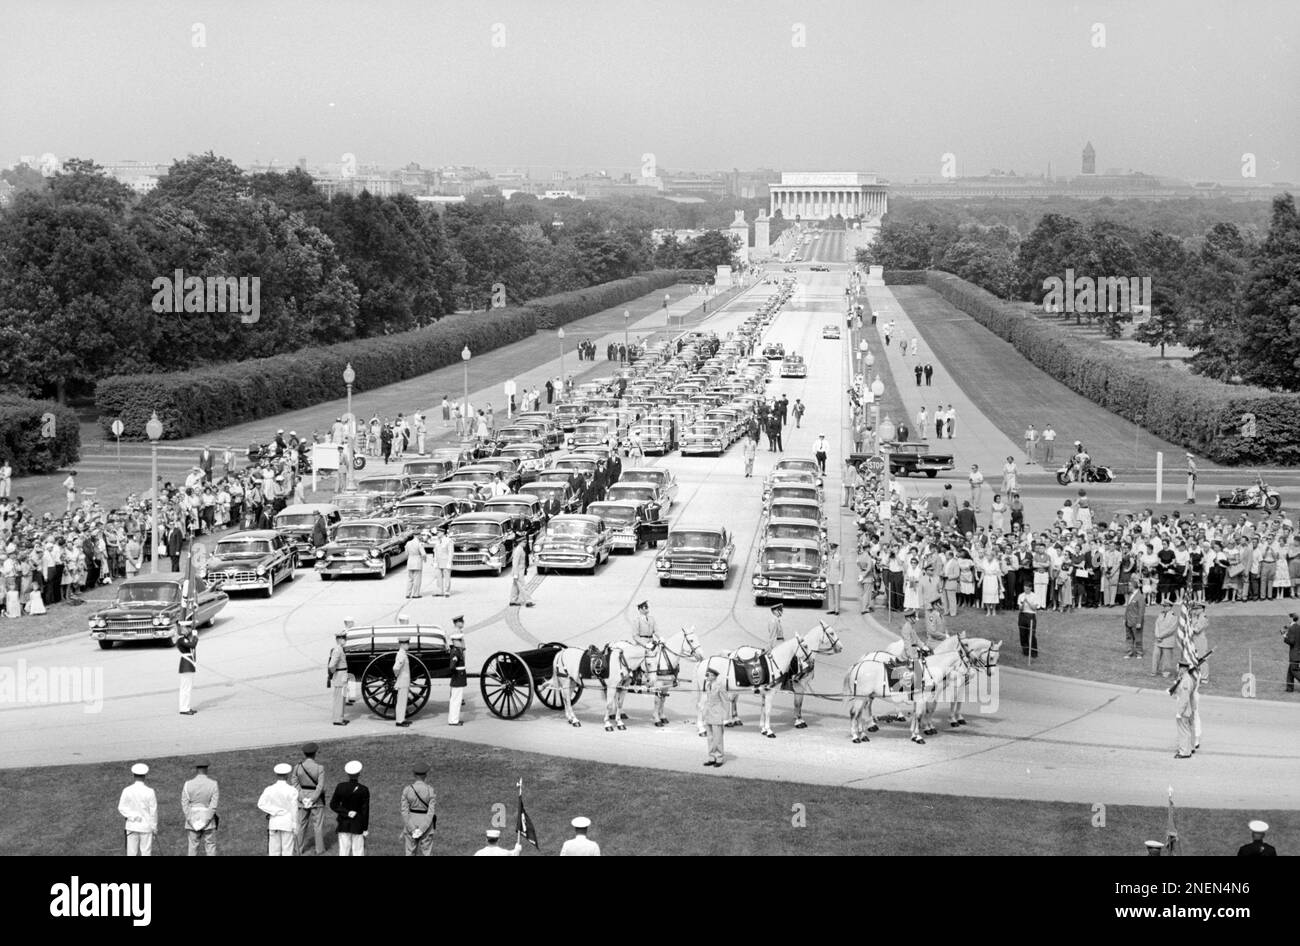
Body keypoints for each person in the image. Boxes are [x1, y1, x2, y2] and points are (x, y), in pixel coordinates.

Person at [292, 743, 326, 855]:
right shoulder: (319, 768)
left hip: (302, 800)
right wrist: (312, 799)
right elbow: (320, 786)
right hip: (317, 800)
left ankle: (298, 849)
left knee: (301, 825)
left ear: (304, 754)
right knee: (318, 825)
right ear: (315, 753)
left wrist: (302, 798)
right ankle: (319, 849)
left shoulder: (297, 767)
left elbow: (295, 783)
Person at [258, 763, 299, 856]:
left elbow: (261, 804)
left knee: (274, 852)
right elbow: (294, 809)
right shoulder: (292, 790)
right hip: (287, 822)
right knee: (287, 851)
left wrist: (274, 811)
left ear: (276, 775)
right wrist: (295, 824)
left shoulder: (269, 789)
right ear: (287, 775)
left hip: (274, 822)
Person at [330, 760, 370, 856]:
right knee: (358, 851)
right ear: (359, 773)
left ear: (347, 774)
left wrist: (345, 812)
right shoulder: (364, 790)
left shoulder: (340, 787)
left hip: (343, 822)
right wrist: (365, 828)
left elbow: (333, 805)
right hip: (358, 823)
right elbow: (365, 810)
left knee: (343, 850)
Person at [118, 763, 157, 856]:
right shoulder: (150, 791)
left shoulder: (127, 790)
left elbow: (121, 807)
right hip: (146, 826)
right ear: (144, 776)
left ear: (133, 776)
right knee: (146, 852)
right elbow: (153, 812)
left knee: (131, 852)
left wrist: (131, 816)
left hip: (132, 826)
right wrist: (154, 827)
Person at [181, 760, 219, 856]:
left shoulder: (187, 784)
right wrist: (206, 819)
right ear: (206, 769)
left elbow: (184, 804)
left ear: (196, 769)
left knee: (193, 847)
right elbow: (213, 805)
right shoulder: (213, 784)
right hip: (209, 821)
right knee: (210, 846)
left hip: (192, 820)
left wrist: (190, 818)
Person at [401, 763, 437, 856]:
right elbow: (431, 812)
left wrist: (412, 829)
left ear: (414, 775)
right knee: (427, 853)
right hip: (426, 824)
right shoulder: (430, 790)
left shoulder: (407, 790)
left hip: (411, 822)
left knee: (410, 853)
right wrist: (422, 829)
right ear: (425, 775)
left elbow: (404, 811)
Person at [700, 667, 726, 767]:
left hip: (717, 713)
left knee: (718, 737)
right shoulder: (708, 685)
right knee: (710, 737)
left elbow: (726, 700)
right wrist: (704, 712)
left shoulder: (719, 686)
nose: (707, 676)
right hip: (709, 713)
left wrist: (726, 715)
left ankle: (719, 758)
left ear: (714, 676)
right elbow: (708, 700)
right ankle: (712, 757)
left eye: (709, 675)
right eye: (707, 675)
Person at [1172, 661, 1196, 759]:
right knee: (1187, 730)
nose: (1177, 669)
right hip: (1187, 709)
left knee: (1183, 731)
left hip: (1185, 710)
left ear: (1184, 668)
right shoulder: (1184, 678)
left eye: (1179, 667)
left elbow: (1185, 698)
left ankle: (1184, 752)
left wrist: (1179, 712)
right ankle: (1188, 748)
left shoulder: (1186, 680)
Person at [329, 627, 350, 725]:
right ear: (338, 639)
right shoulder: (337, 650)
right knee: (339, 699)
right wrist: (334, 673)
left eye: (345, 639)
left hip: (342, 675)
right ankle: (337, 720)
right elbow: (331, 665)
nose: (344, 640)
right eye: (343, 639)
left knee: (342, 699)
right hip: (339, 676)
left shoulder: (340, 649)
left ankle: (340, 718)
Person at [176, 625, 199, 715]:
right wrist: (195, 637)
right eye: (187, 628)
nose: (188, 630)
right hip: (186, 665)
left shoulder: (184, 639)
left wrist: (193, 637)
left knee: (187, 688)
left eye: (189, 628)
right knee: (185, 688)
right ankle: (184, 708)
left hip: (188, 664)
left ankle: (186, 707)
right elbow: (192, 645)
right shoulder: (181, 640)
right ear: (182, 629)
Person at [448, 624, 467, 725]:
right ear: (455, 641)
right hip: (457, 679)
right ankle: (453, 721)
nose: (461, 642)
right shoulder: (455, 652)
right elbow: (452, 667)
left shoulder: (457, 651)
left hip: (458, 679)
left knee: (457, 700)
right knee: (455, 700)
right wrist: (456, 675)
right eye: (459, 641)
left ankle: (454, 719)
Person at [1152, 601, 1177, 677]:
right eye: (1163, 606)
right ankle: (1154, 671)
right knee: (1155, 655)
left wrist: (1161, 636)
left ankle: (1166, 672)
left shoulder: (1174, 616)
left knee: (1167, 658)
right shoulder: (1161, 614)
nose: (1164, 608)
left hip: (1167, 639)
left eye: (1166, 606)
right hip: (1158, 639)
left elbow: (1171, 629)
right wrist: (1157, 635)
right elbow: (1156, 624)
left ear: (1170, 607)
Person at [1123, 581, 1146, 659]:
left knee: (1138, 638)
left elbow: (1141, 610)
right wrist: (1125, 618)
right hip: (1128, 620)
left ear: (1133, 586)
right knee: (1129, 637)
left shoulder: (1140, 596)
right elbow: (1127, 608)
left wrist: (1139, 622)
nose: (1128, 587)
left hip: (1136, 621)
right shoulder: (1130, 596)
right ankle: (1129, 652)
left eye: (1129, 586)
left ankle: (1139, 653)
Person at [394, 635, 412, 728]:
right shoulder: (401, 654)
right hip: (402, 681)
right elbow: (396, 668)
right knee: (401, 702)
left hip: (404, 681)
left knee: (403, 701)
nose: (408, 645)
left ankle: (402, 719)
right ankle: (399, 721)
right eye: (406, 643)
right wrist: (398, 676)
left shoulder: (403, 653)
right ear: (402, 644)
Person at [509, 538, 533, 607]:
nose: (525, 543)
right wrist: (516, 574)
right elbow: (515, 562)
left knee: (515, 586)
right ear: (520, 542)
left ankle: (513, 600)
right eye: (524, 542)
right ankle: (528, 601)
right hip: (518, 572)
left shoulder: (520, 549)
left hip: (520, 571)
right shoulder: (518, 550)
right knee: (523, 586)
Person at [1016, 586, 1038, 657]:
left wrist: (1027, 602)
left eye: (1027, 589)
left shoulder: (1034, 596)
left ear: (1030, 588)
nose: (1026, 590)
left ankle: (1034, 652)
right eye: (1025, 589)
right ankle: (1025, 651)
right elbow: (1020, 609)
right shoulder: (1021, 596)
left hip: (1031, 615)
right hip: (1023, 615)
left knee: (1032, 634)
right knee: (1023, 634)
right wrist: (1022, 604)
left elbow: (1034, 608)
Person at [432, 526, 453, 597]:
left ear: (442, 533)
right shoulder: (437, 541)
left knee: (447, 577)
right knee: (438, 577)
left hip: (445, 561)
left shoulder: (448, 541)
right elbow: (435, 552)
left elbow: (450, 552)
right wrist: (434, 561)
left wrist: (449, 562)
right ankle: (440, 591)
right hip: (438, 562)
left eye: (438, 532)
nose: (437, 534)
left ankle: (447, 591)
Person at [1282, 612, 1300, 692]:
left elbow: (1292, 641)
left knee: (1294, 671)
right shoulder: (1298, 627)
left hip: (1294, 654)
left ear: (1292, 618)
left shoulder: (1292, 628)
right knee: (1290, 672)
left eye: (1289, 618)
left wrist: (1285, 636)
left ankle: (1289, 688)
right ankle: (1289, 688)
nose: (1288, 619)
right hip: (1298, 653)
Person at [404, 531, 425, 598]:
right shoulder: (419, 544)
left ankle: (408, 593)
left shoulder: (408, 543)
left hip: (410, 561)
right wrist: (424, 559)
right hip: (417, 562)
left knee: (410, 579)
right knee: (417, 579)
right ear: (418, 536)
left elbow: (406, 553)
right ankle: (415, 594)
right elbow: (423, 554)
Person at [826, 543, 843, 615]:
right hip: (830, 578)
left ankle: (837, 610)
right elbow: (828, 568)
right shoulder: (830, 557)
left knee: (836, 594)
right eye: (831, 549)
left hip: (837, 578)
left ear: (836, 549)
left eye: (833, 549)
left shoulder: (840, 557)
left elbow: (842, 569)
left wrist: (841, 579)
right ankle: (831, 609)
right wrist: (827, 577)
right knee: (830, 595)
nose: (831, 550)